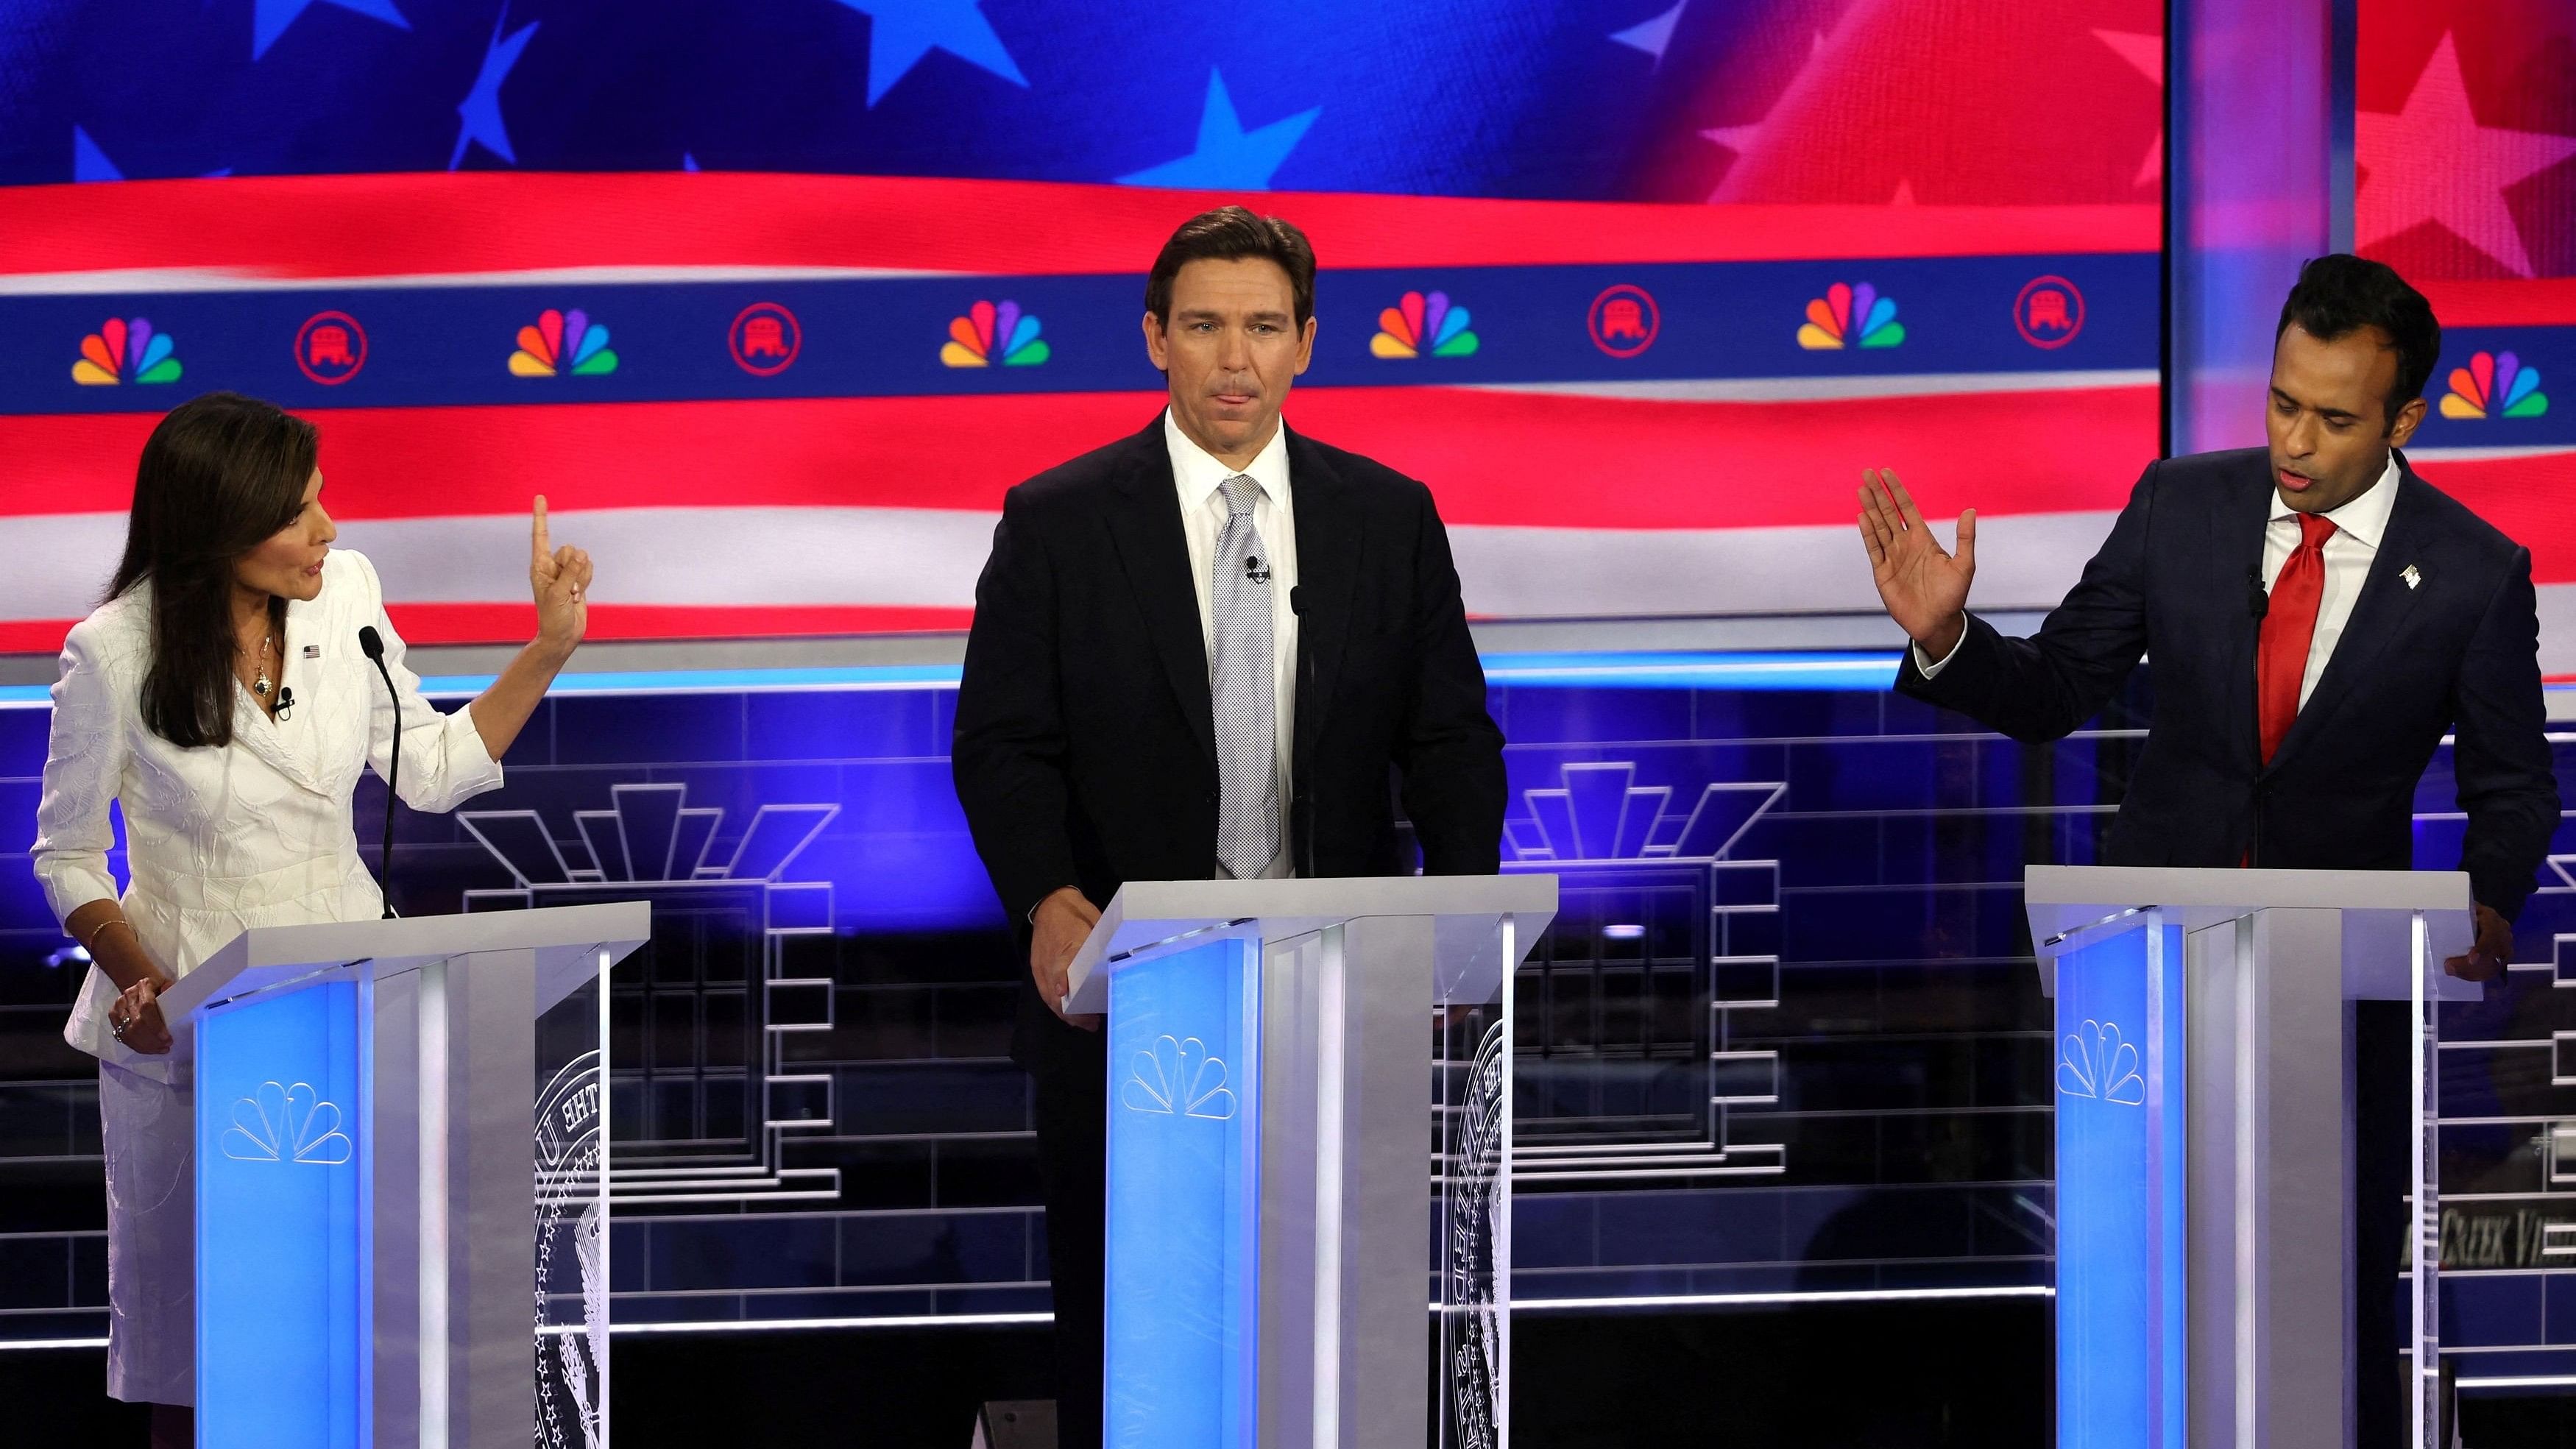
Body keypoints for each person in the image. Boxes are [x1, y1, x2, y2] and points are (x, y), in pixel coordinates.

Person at [1856, 254, 2558, 1445]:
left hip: (2338, 998)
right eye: (2283, 401)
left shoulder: (2476, 574)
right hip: (2144, 976)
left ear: (2405, 418)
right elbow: (2059, 686)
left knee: (2332, 1295)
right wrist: (1951, 638)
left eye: (2335, 418)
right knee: (2141, 1284)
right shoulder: (2182, 505)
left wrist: (2492, 900)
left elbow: (2513, 780)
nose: (2296, 439)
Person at [951, 206, 1507, 1448]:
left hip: (1337, 992)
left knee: (1331, 1321)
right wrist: (1046, 895)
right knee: (1131, 1331)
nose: (1234, 358)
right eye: (1203, 326)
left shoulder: (1388, 517)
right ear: (1157, 338)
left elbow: (1454, 740)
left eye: (1263, 326)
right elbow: (1001, 743)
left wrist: (1455, 920)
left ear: (1308, 341)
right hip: (1127, 998)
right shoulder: (1059, 520)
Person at [30, 391, 594, 1449]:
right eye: (298, 513)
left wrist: (547, 649)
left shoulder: (347, 598)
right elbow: (64, 852)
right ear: (217, 529)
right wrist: (143, 976)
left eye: (321, 498)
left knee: (352, 1340)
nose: (328, 530)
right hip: (192, 1031)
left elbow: (426, 768)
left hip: (339, 1015)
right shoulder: (110, 651)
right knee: (208, 1370)